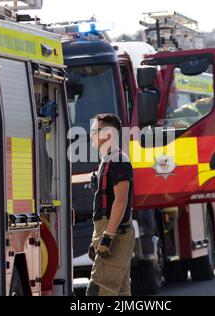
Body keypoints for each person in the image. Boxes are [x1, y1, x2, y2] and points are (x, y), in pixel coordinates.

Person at [86, 113, 135, 296]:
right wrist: (97, 238)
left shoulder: (119, 161)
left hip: (115, 232)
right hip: (109, 229)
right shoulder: (108, 159)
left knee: (99, 292)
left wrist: (108, 236)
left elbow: (121, 202)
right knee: (121, 293)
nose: (91, 135)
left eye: (94, 131)